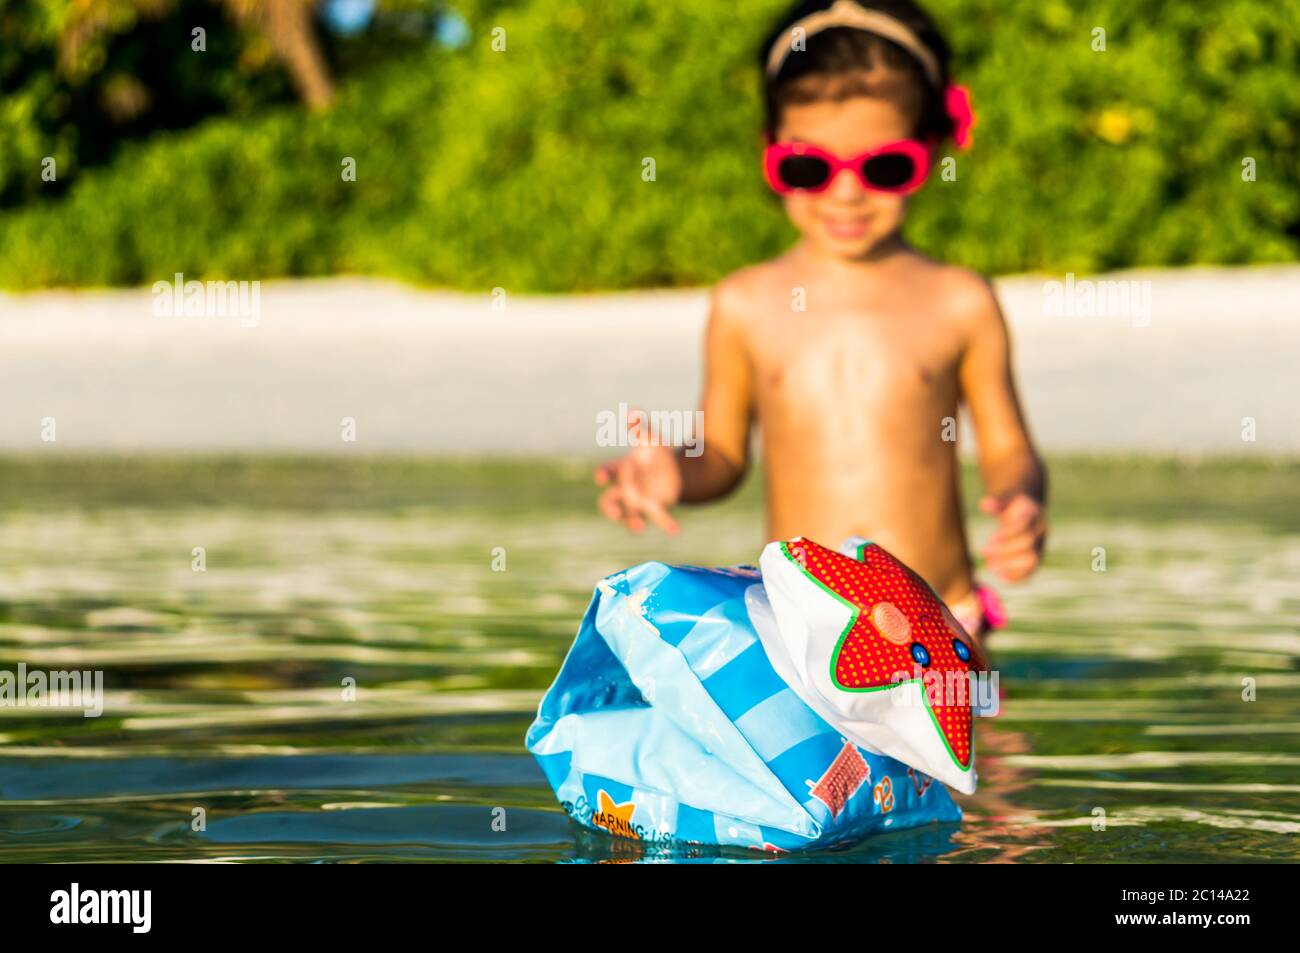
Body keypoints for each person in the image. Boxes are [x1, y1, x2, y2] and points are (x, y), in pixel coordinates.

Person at [595, 0, 1046, 641]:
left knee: (990, 748)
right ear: (769, 154)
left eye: (884, 166)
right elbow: (722, 455)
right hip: (799, 631)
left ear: (932, 148)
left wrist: (1022, 500)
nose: (845, 193)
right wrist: (675, 470)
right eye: (809, 167)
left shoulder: (959, 302)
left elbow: (1007, 449)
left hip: (940, 630)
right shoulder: (745, 304)